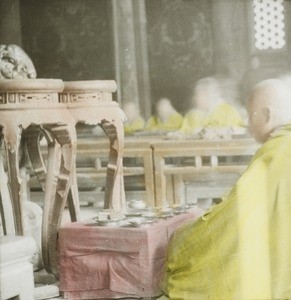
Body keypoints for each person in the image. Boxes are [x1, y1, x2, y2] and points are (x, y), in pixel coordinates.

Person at [164, 79, 291, 299]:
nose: (247, 125)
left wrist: (194, 230)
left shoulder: (276, 151)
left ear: (267, 115)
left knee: (186, 245)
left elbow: (237, 213)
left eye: (251, 116)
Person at [179, 77, 245, 135]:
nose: (196, 98)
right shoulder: (191, 115)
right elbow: (182, 133)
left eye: (199, 95)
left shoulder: (229, 112)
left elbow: (237, 133)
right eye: (196, 95)